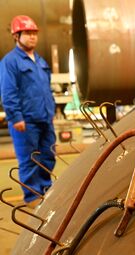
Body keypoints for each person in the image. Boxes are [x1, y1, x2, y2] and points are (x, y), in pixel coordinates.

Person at [0, 15, 56, 208]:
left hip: (45, 117)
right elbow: (8, 91)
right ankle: (32, 197)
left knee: (48, 155)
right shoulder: (10, 62)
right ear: (16, 36)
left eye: (34, 33)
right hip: (26, 121)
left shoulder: (40, 60)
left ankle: (45, 189)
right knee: (29, 159)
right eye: (27, 33)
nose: (32, 37)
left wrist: (52, 111)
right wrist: (15, 117)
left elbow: (46, 88)